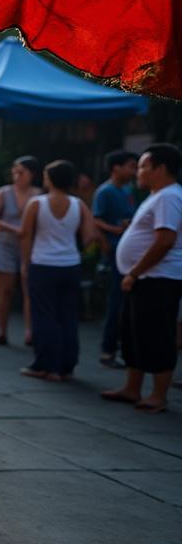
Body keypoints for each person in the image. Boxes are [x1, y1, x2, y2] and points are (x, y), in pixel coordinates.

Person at [101, 144, 182, 412]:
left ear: (161, 168)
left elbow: (164, 241)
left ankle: (158, 395)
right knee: (133, 333)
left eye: (144, 166)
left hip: (157, 277)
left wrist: (135, 271)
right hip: (142, 277)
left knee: (157, 335)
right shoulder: (156, 195)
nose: (138, 172)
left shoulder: (169, 197)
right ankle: (131, 388)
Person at [19, 160, 100, 381]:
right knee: (68, 316)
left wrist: (25, 263)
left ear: (50, 179)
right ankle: (66, 366)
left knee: (44, 316)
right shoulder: (79, 204)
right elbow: (90, 236)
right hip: (70, 264)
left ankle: (45, 365)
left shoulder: (37, 203)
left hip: (43, 263)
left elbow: (25, 235)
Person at [0, 156, 42, 345]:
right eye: (15, 172)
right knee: (5, 290)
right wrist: (14, 229)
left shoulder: (38, 195)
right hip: (4, 243)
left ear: (31, 174)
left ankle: (30, 331)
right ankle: (2, 330)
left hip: (29, 245)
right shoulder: (4, 192)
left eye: (21, 172)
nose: (17, 176)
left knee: (29, 289)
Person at [92, 149, 139, 367]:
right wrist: (115, 231)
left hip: (130, 253)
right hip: (114, 252)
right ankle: (108, 349)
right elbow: (96, 221)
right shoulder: (105, 191)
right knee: (116, 302)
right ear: (115, 168)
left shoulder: (129, 190)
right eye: (130, 165)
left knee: (125, 303)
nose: (134, 170)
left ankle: (122, 347)